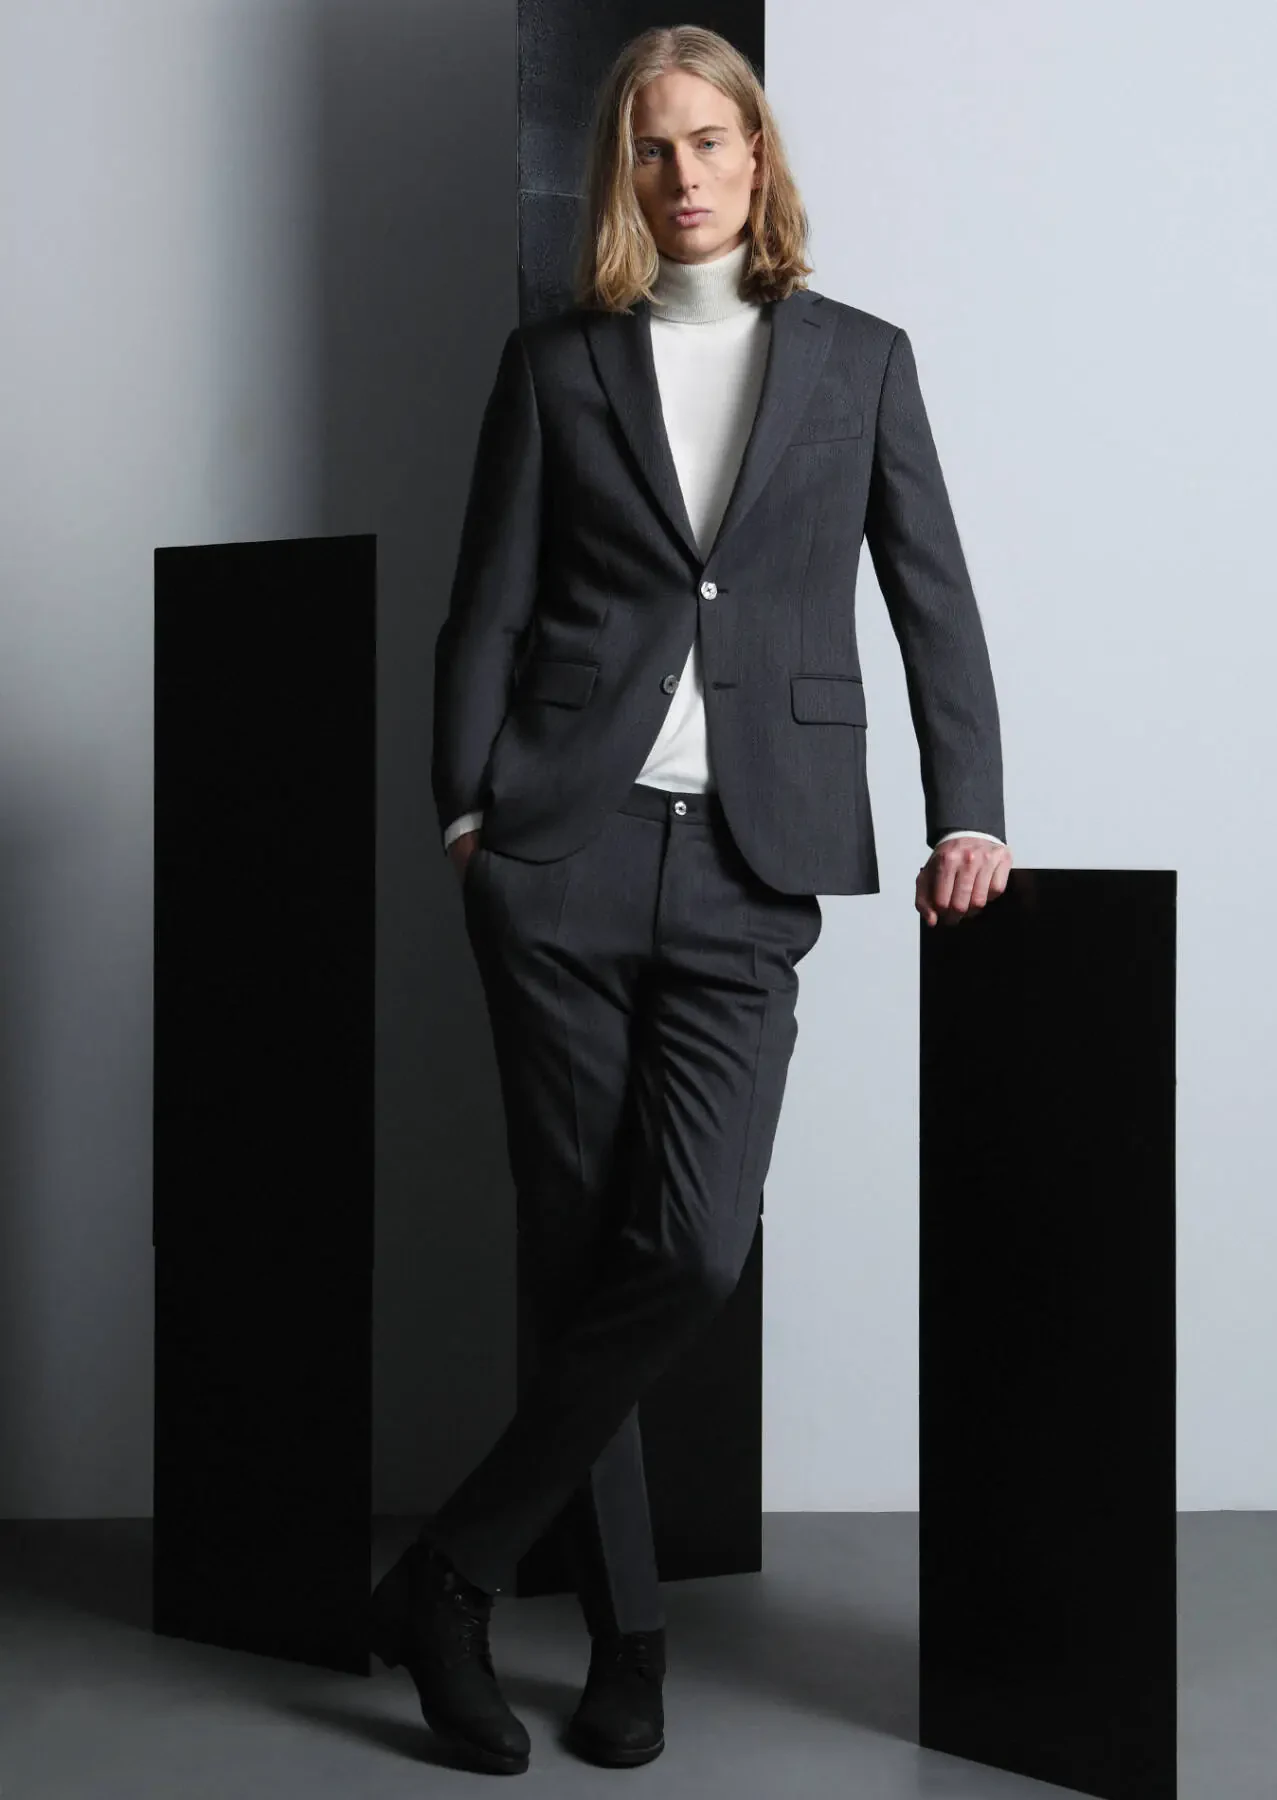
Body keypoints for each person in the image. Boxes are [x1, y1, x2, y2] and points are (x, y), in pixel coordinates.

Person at [370, 22, 1012, 1777]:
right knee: (581, 1257)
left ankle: (449, 1573)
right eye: (651, 147)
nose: (682, 173)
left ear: (757, 154)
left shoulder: (862, 361)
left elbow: (932, 596)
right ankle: (628, 1643)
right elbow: (486, 604)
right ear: (624, 175)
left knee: (692, 1248)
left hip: (751, 863)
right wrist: (464, 813)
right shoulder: (558, 365)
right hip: (559, 855)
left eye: (710, 141)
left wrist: (971, 811)